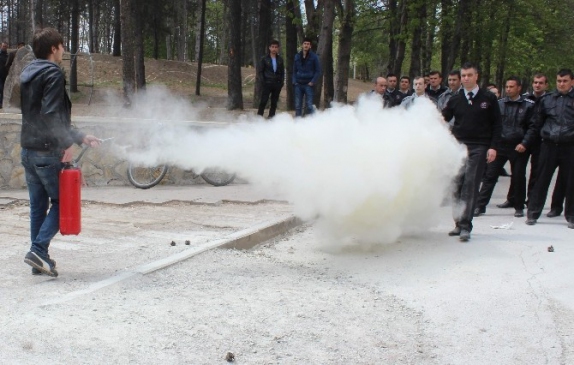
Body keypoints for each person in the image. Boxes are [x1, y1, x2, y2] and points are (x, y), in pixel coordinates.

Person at [20, 28, 101, 276]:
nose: (64, 50)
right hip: (47, 150)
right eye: (62, 46)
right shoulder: (53, 73)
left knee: (38, 206)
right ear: (54, 48)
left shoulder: (29, 73)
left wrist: (79, 136)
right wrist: (67, 143)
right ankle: (38, 250)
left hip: (28, 150)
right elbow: (52, 114)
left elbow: (45, 115)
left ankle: (38, 259)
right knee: (63, 201)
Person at [442, 62, 502, 241]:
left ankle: (466, 226)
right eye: (463, 75)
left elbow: (497, 124)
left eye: (469, 75)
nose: (466, 78)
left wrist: (493, 147)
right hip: (458, 146)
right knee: (456, 185)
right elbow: (443, 118)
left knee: (470, 185)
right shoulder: (455, 98)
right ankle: (458, 223)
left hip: (479, 146)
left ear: (476, 76)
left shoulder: (488, 98)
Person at [474, 76, 537, 218]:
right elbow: (492, 125)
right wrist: (492, 145)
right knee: (490, 176)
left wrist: (524, 143)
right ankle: (480, 206)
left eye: (511, 87)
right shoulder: (499, 104)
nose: (508, 89)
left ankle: (519, 207)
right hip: (500, 146)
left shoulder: (528, 105)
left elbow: (533, 127)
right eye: (507, 87)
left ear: (519, 88)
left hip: (518, 146)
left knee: (519, 177)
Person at [526, 68, 574, 229]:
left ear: (572, 82)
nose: (561, 84)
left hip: (570, 146)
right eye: (559, 81)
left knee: (570, 182)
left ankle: (571, 216)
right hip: (548, 145)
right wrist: (526, 142)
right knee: (541, 180)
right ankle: (532, 213)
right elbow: (536, 123)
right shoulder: (547, 100)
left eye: (565, 81)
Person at [499, 73, 548, 210]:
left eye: (540, 83)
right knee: (518, 172)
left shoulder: (549, 100)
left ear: (545, 85)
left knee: (536, 172)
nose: (537, 85)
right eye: (535, 82)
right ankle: (512, 198)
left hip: (540, 140)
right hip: (524, 139)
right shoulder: (525, 99)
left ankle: (531, 200)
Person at [293, 37, 321, 117]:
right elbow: (294, 70)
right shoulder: (297, 56)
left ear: (310, 46)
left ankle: (313, 122)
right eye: (305, 43)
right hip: (298, 84)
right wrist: (294, 81)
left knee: (309, 105)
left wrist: (312, 82)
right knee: (298, 106)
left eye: (308, 44)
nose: (306, 45)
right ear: (302, 45)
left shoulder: (314, 57)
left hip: (309, 85)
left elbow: (318, 71)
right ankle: (298, 124)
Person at [257, 40, 284, 119]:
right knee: (263, 100)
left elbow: (282, 72)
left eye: (276, 47)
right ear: (269, 48)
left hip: (277, 83)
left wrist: (281, 82)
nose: (274, 49)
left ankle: (271, 116)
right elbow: (260, 71)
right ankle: (259, 117)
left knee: (274, 101)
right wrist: (263, 81)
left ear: (278, 48)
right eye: (272, 47)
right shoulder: (264, 59)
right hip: (267, 82)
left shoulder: (280, 59)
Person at [0, 42, 9, 108]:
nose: (4, 47)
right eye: (3, 46)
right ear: (1, 46)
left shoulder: (8, 55)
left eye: (5, 46)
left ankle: (2, 103)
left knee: (4, 89)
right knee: (1, 89)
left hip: (5, 75)